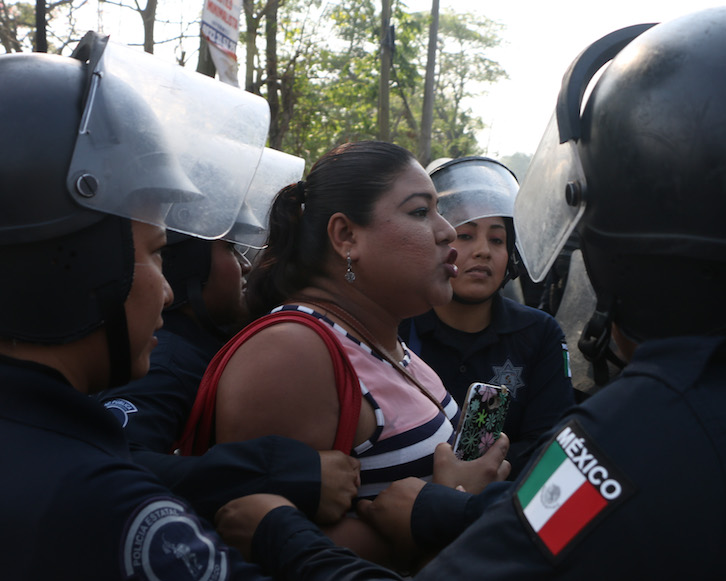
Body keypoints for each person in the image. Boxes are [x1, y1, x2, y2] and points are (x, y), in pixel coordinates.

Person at [213, 5, 726, 579]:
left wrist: (289, 538)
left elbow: (541, 531)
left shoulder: (635, 436)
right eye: (426, 214)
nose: (455, 239)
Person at [0, 33, 395, 580]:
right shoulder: (95, 503)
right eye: (153, 253)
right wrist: (443, 517)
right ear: (76, 264)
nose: (166, 291)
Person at [194, 140, 510, 566]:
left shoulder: (387, 341)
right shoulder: (292, 354)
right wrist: (448, 512)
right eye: (420, 211)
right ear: (346, 236)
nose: (447, 231)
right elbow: (253, 538)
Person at [97, 150, 361, 524]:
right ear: (187, 263)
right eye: (231, 248)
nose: (246, 265)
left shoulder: (201, 344)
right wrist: (279, 472)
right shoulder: (166, 358)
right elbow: (118, 463)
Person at [400, 156, 575, 465]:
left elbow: (549, 445)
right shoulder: (398, 325)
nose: (483, 250)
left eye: (497, 239)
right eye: (465, 235)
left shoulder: (541, 334)